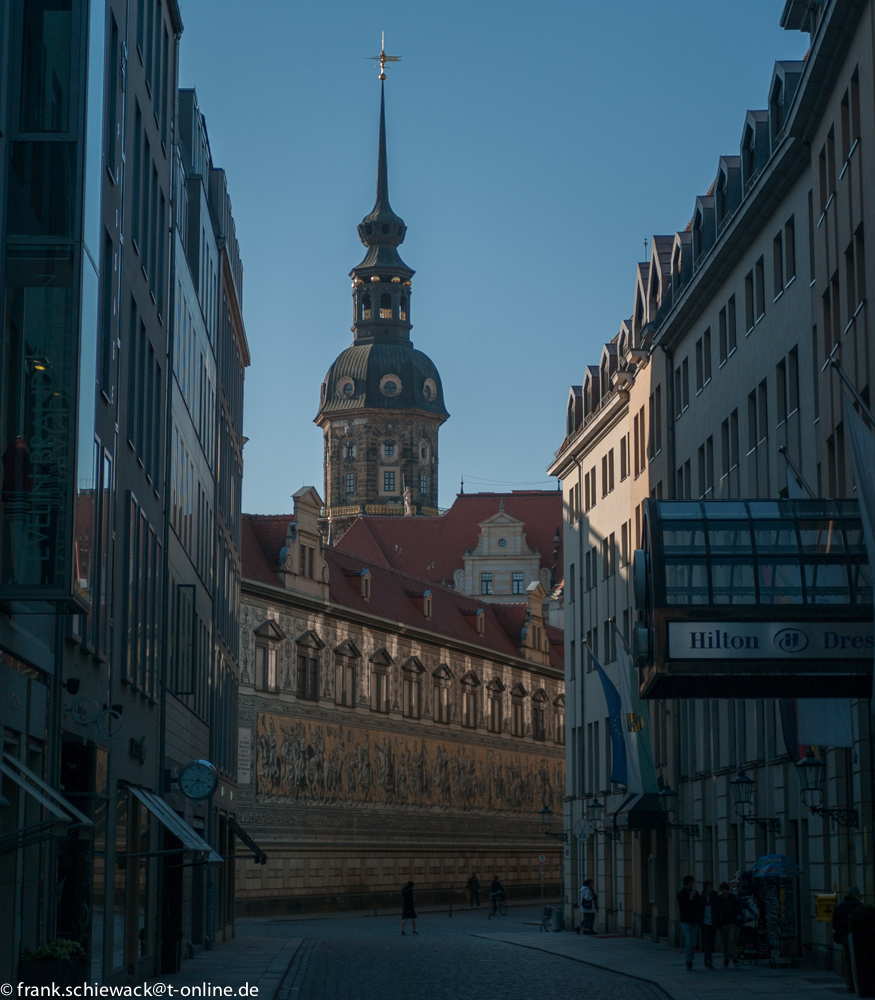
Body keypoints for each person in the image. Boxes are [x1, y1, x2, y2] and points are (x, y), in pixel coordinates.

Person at [832, 886, 863, 992]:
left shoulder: (839, 906)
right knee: (858, 960)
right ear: (855, 896)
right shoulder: (858, 906)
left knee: (848, 960)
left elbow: (834, 923)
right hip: (858, 937)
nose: (860, 899)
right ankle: (856, 983)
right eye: (859, 896)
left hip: (844, 937)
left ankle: (850, 983)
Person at [676, 875, 702, 971]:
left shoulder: (696, 893)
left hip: (694, 921)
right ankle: (688, 961)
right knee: (688, 941)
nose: (692, 885)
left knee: (694, 942)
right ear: (686, 884)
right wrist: (690, 898)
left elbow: (699, 905)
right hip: (685, 921)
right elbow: (683, 907)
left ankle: (690, 957)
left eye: (692, 883)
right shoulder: (681, 894)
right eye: (691, 883)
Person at [712, 882, 741, 967]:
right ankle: (726, 959)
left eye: (725, 890)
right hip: (722, 923)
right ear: (721, 890)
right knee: (725, 943)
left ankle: (735, 959)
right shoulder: (719, 899)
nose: (724, 891)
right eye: (723, 890)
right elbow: (716, 910)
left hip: (731, 922)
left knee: (732, 940)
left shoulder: (732, 898)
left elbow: (736, 908)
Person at [700, 881, 717, 968]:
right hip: (704, 923)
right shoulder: (701, 897)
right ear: (705, 889)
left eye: (711, 887)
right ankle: (708, 960)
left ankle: (708, 958)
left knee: (711, 942)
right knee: (707, 942)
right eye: (709, 887)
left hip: (713, 922)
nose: (711, 889)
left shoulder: (715, 896)